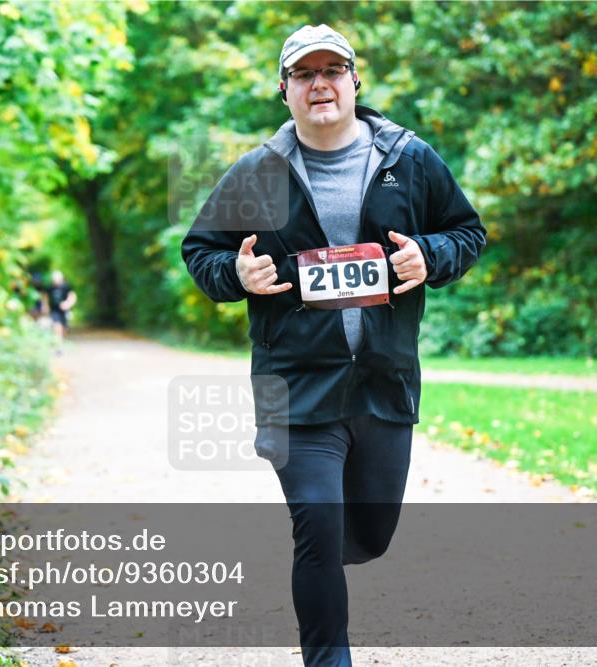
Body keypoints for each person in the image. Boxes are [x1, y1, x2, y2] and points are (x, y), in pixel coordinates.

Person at [181, 24, 486, 667]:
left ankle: (344, 544)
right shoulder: (258, 171)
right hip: (295, 385)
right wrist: (237, 276)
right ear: (285, 90)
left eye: (332, 71)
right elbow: (201, 250)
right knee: (317, 528)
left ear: (354, 82)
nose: (319, 84)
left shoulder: (408, 159)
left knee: (366, 535)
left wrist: (429, 257)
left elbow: (466, 231)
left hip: (384, 383)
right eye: (303, 74)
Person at [46, 270, 77, 346]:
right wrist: (45, 306)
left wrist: (68, 304)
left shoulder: (66, 286)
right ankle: (58, 343)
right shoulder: (50, 287)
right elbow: (45, 296)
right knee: (57, 325)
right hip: (54, 310)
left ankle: (61, 340)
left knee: (64, 327)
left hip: (64, 310)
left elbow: (72, 296)